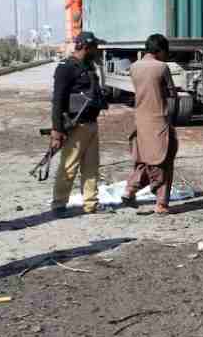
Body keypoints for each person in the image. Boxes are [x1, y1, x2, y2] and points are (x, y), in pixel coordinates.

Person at [121, 34, 179, 215]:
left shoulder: (134, 67)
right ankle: (161, 203)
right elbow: (171, 95)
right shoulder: (162, 67)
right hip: (159, 120)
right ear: (160, 50)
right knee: (164, 161)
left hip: (140, 120)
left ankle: (130, 189)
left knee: (144, 160)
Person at [50, 31, 107, 216]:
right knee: (69, 166)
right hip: (75, 126)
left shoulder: (89, 66)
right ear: (84, 46)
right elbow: (58, 100)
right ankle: (59, 205)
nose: (97, 50)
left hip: (91, 124)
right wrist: (57, 129)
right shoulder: (66, 67)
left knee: (91, 167)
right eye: (94, 47)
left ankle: (91, 203)